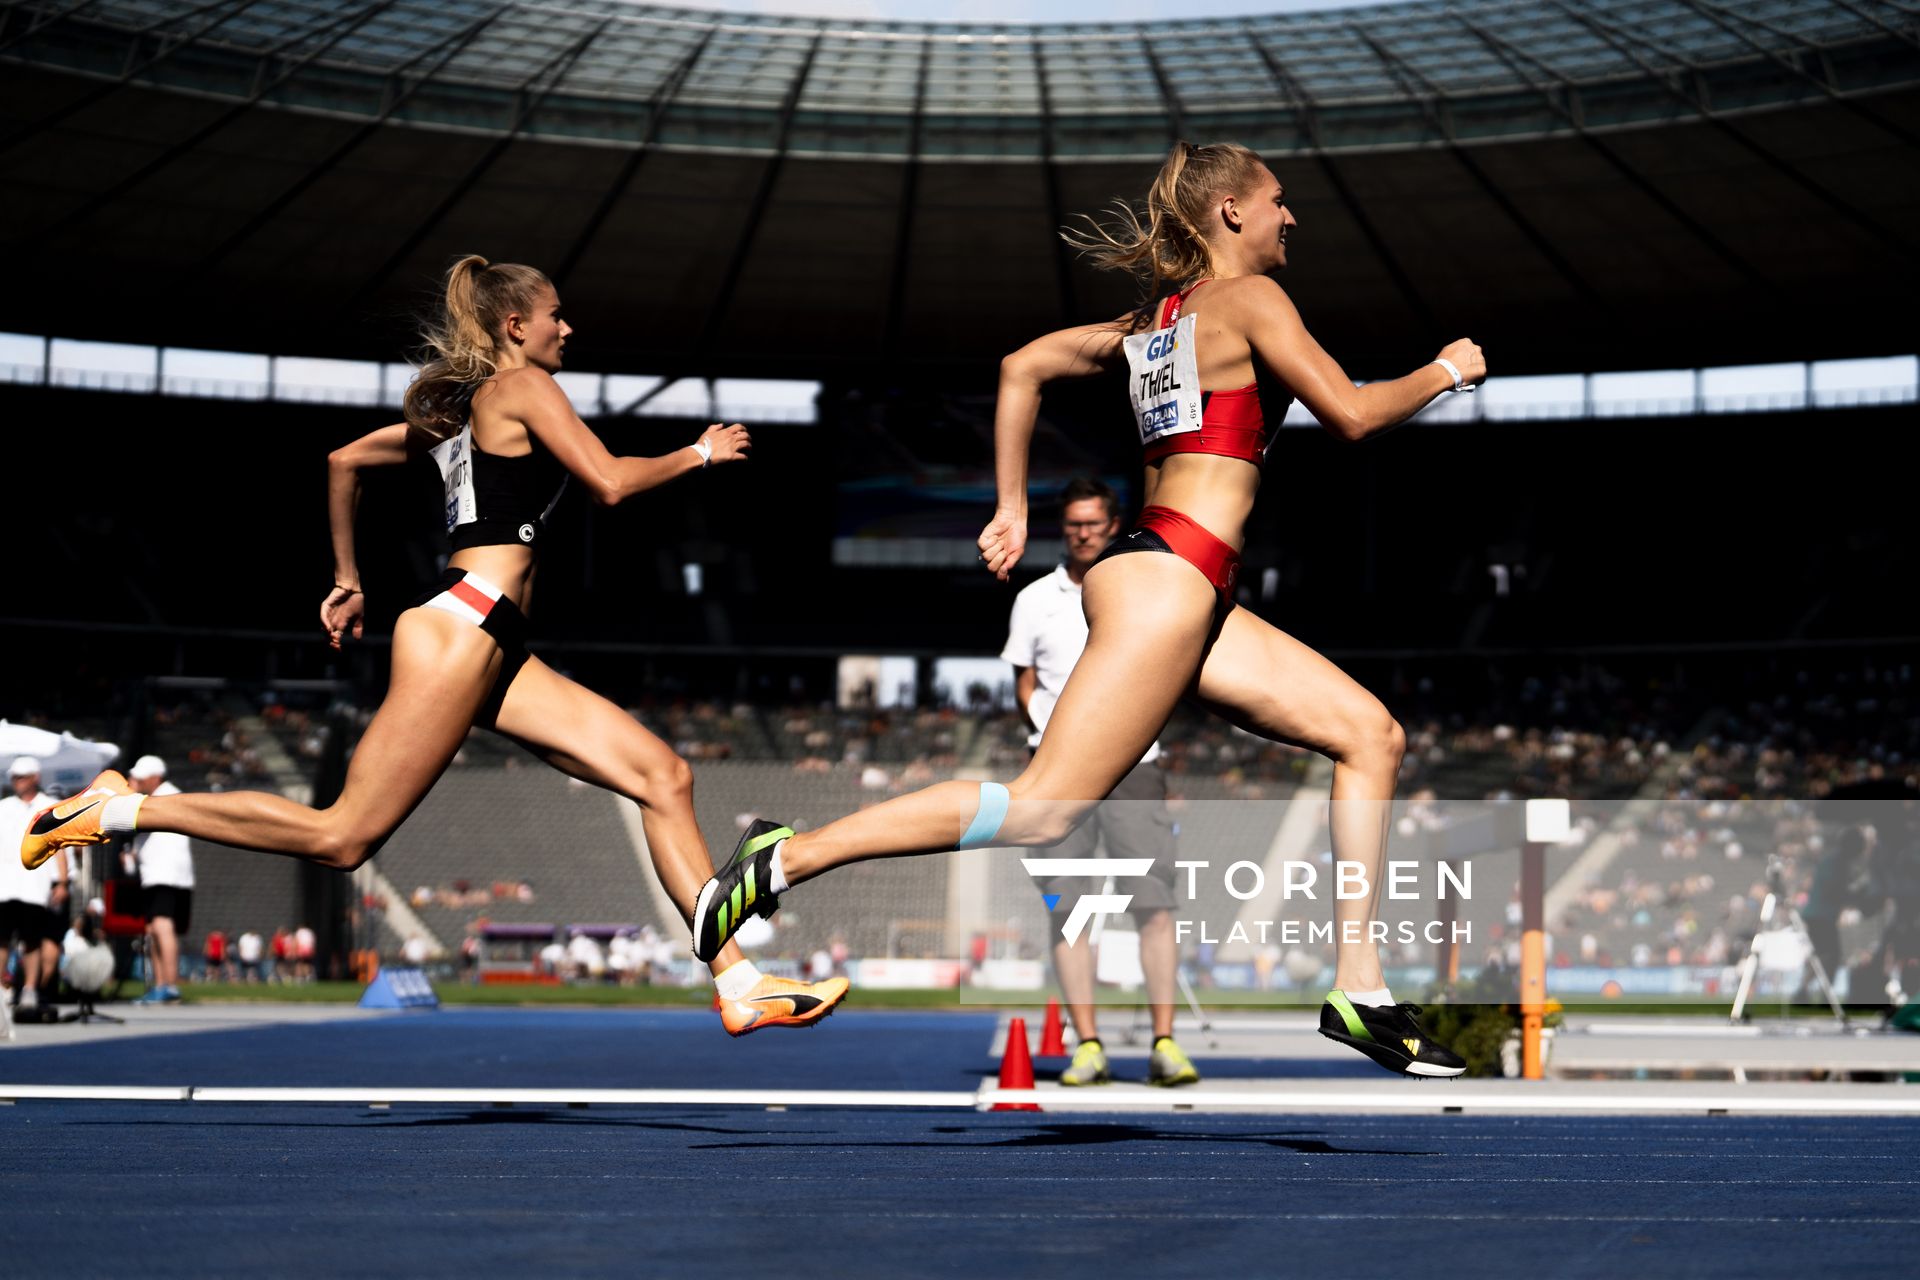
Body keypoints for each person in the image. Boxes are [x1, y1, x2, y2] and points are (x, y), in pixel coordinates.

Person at [695, 142, 1483, 1076]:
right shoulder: (1252, 301)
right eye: (1279, 201)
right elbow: (1352, 414)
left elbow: (1021, 364)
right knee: (1037, 811)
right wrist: (1445, 371)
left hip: (1180, 580)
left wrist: (1012, 505)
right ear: (1230, 210)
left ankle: (1361, 988)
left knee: (1370, 735)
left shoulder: (1152, 323)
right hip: (1168, 580)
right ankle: (781, 860)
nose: (1291, 217)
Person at [21, 254, 845, 1036]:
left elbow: (344, 461)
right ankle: (117, 809)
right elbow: (611, 481)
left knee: (664, 775)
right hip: (464, 627)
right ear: (517, 325)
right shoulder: (522, 386)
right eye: (558, 316)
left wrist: (348, 577)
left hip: (494, 642)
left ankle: (740, 985)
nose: (570, 328)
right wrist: (700, 452)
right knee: (342, 837)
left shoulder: (461, 413)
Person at [1002, 477, 1196, 1087]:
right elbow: (1025, 682)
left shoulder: (1145, 588)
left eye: (1093, 523)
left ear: (1114, 525)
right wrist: (1057, 733)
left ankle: (1165, 1043)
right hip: (1058, 770)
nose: (1083, 533)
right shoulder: (1035, 598)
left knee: (1155, 908)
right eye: (1073, 524)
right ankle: (1088, 1045)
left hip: (1137, 767)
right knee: (1069, 912)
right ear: (1063, 529)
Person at [0, 756, 70, 1020]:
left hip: (34, 884)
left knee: (32, 941)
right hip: (4, 885)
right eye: (15, 777)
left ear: (35, 778)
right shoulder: (3, 807)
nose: (17, 782)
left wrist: (62, 881)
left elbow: (60, 845)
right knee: (2, 939)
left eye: (22, 777)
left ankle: (29, 989)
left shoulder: (48, 807)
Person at [127, 755, 193, 1003]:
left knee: (162, 927)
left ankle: (170, 985)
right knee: (153, 929)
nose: (135, 782)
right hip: (156, 874)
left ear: (155, 778)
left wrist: (129, 794)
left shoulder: (166, 797)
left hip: (166, 874)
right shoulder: (153, 799)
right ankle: (161, 984)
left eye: (140, 778)